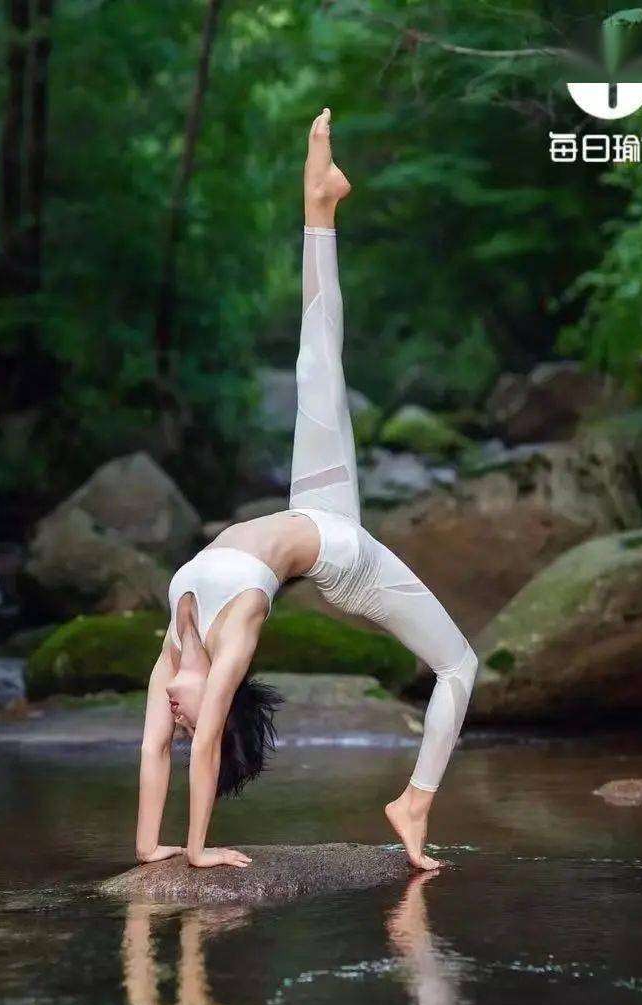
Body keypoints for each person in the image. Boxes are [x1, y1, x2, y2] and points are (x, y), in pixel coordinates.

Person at [135, 109, 477, 873]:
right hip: (346, 562)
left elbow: (157, 749)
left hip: (313, 508)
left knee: (316, 357)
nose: (179, 718)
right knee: (461, 667)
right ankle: (413, 802)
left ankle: (317, 200)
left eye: (179, 717)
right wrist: (196, 854)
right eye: (192, 720)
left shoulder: (172, 649)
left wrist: (145, 844)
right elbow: (202, 745)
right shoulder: (228, 650)